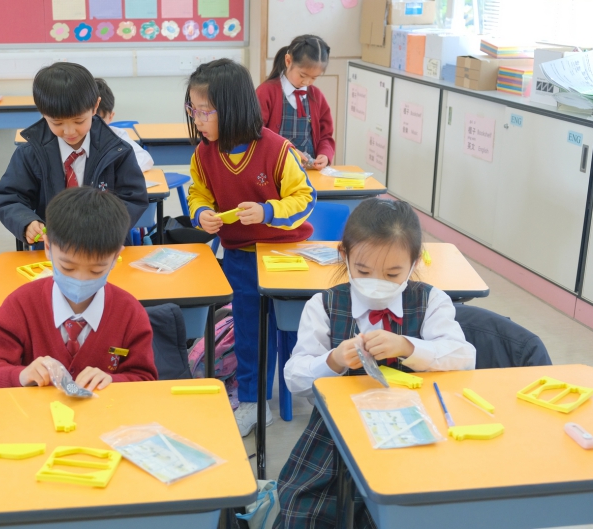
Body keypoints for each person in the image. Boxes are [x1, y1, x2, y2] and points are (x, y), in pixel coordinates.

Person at [274, 198, 476, 528]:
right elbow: (294, 378)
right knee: (308, 515)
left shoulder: (430, 301)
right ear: (344, 255)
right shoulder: (324, 305)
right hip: (336, 439)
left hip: (415, 433)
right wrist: (333, 360)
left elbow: (464, 357)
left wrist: (408, 346)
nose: (377, 281)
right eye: (364, 271)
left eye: (393, 273)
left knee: (415, 513)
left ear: (414, 262)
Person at [186, 58, 316, 436]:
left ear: (232, 108)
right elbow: (197, 194)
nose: (198, 120)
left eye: (205, 111)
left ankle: (310, 387)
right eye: (193, 110)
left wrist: (267, 211)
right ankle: (253, 402)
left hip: (285, 256)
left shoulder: (276, 149)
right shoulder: (204, 155)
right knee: (249, 333)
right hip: (240, 256)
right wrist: (202, 213)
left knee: (297, 329)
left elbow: (305, 198)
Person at [0, 187, 157, 390]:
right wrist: (22, 375)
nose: (80, 279)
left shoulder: (130, 313)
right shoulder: (20, 306)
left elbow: (145, 379)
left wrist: (114, 381)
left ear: (115, 257)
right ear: (48, 247)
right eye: (68, 267)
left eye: (96, 270)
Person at [0, 62, 148, 246]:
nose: (69, 131)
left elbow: (133, 198)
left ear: (95, 107)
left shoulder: (117, 151)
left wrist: (106, 229)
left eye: (79, 121)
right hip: (53, 248)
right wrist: (27, 222)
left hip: (105, 247)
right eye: (57, 123)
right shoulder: (30, 153)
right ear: (43, 113)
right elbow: (10, 197)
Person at [256, 35, 335, 170]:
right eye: (302, 75)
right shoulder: (265, 92)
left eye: (314, 78)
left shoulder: (316, 96)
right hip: (275, 170)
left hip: (308, 170)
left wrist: (325, 154)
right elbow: (256, 133)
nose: (307, 82)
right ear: (288, 61)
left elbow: (325, 135)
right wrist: (285, 150)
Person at [94, 78, 154, 172]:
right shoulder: (72, 138)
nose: (91, 126)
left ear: (110, 117)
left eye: (98, 121)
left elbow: (145, 159)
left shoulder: (117, 135)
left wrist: (117, 170)